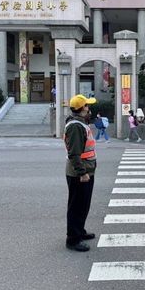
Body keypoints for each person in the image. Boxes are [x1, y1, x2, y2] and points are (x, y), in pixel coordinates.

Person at [63, 94, 98, 252]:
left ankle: (80, 231)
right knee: (77, 206)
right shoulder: (76, 126)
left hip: (85, 170)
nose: (89, 108)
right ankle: (73, 239)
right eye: (87, 106)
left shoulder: (80, 123)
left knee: (83, 205)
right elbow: (74, 154)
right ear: (81, 108)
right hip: (79, 173)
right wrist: (82, 173)